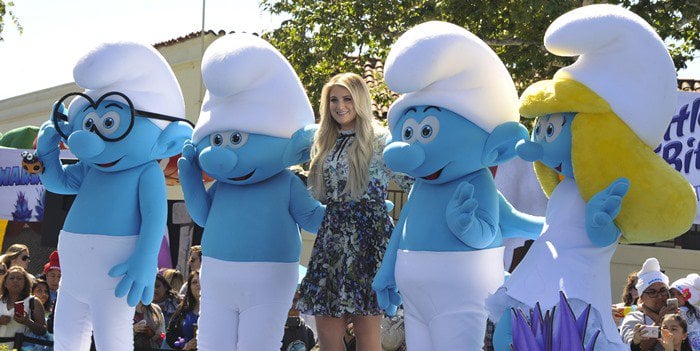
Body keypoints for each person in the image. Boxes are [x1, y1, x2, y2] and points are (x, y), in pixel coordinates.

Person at [296, 72, 412, 351]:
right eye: (333, 99)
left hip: (369, 237)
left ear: (359, 100)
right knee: (326, 323)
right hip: (332, 235)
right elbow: (317, 193)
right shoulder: (324, 140)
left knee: (367, 328)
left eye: (347, 98)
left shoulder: (380, 139)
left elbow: (412, 182)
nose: (339, 105)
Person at [621, 258, 680, 351]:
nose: (660, 296)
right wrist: (660, 320)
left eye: (663, 290)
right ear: (641, 297)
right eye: (652, 292)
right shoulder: (634, 318)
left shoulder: (680, 316)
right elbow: (636, 347)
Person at [0, 266, 46, 348]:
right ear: (5, 283)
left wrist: (27, 321)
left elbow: (43, 330)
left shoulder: (33, 302)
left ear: (25, 283)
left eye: (19, 278)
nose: (15, 281)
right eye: (12, 278)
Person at [166, 271, 199, 350]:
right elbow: (170, 335)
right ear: (189, 287)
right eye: (194, 282)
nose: (198, 285)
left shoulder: (216, 310)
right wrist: (184, 346)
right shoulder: (183, 309)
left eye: (201, 281)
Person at [670, 274, 700, 350]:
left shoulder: (697, 310)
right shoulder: (669, 311)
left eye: (680, 294)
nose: (675, 297)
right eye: (672, 294)